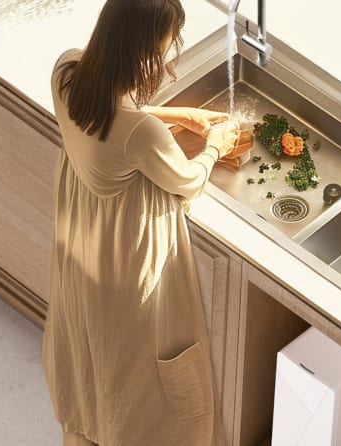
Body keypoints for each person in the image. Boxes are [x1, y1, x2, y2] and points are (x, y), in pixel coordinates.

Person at [42, 0, 245, 445]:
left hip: (80, 249)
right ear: (141, 51)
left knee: (91, 362)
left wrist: (180, 115)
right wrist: (215, 143)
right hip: (126, 266)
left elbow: (115, 115)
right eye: (167, 48)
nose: (169, 59)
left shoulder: (67, 73)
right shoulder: (141, 134)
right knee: (140, 383)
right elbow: (187, 181)